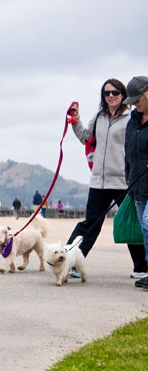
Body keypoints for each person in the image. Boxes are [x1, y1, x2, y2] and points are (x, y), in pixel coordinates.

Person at [68, 78, 147, 280]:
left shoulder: (132, 117)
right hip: (99, 182)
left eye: (115, 92)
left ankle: (141, 267)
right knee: (90, 224)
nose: (111, 96)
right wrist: (75, 121)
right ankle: (70, 261)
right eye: (106, 93)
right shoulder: (99, 116)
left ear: (124, 95)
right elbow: (86, 137)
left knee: (132, 222)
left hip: (123, 181)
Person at [123, 76, 148, 288]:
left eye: (136, 99)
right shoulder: (133, 120)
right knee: (145, 228)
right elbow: (128, 153)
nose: (133, 104)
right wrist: (128, 178)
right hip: (137, 185)